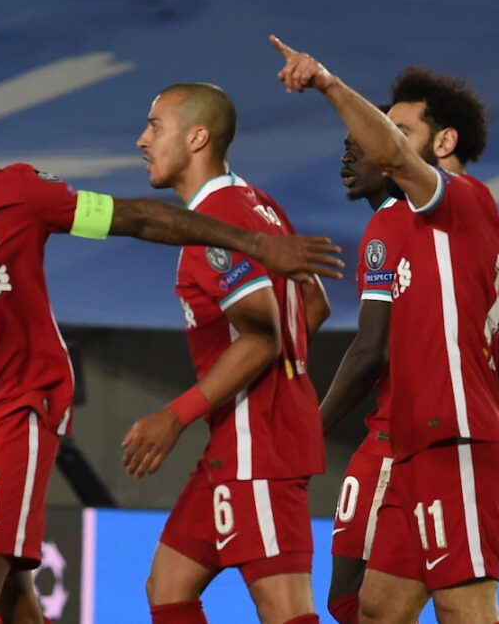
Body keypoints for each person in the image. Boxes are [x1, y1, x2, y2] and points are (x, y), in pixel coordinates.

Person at [0, 84, 343, 624]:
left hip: (20, 414)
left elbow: (142, 224)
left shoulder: (16, 195)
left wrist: (194, 410)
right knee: (153, 585)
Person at [271, 36, 499, 624]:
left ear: (443, 142)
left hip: (453, 437)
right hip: (416, 446)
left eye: (400, 131)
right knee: (375, 608)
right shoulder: (411, 222)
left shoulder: (461, 201)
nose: (383, 146)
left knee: (466, 609)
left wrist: (328, 83)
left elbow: (373, 348)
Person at [121, 83, 329, 624]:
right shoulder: (259, 203)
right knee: (169, 583)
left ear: (196, 137)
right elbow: (315, 302)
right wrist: (288, 377)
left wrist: (175, 416)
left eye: (154, 126)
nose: (142, 140)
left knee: (285, 610)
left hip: (258, 444)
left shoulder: (216, 222)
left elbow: (262, 335)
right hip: (243, 438)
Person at [319, 111, 412, 624]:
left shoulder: (388, 227)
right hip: (459, 442)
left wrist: (310, 428)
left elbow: (370, 350)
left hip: (394, 443)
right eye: (345, 145)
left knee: (349, 600)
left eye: (361, 146)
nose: (347, 156)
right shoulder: (454, 227)